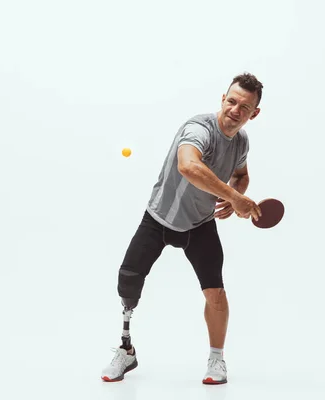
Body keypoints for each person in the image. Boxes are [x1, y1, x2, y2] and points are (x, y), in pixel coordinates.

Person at [100, 72, 264, 385]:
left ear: (253, 114)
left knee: (215, 290)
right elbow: (188, 166)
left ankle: (217, 359)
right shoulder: (198, 128)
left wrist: (237, 192)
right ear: (223, 99)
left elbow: (241, 173)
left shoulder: (241, 142)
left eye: (244, 107)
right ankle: (126, 350)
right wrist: (234, 196)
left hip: (200, 225)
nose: (235, 110)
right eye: (232, 101)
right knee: (128, 283)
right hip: (158, 218)